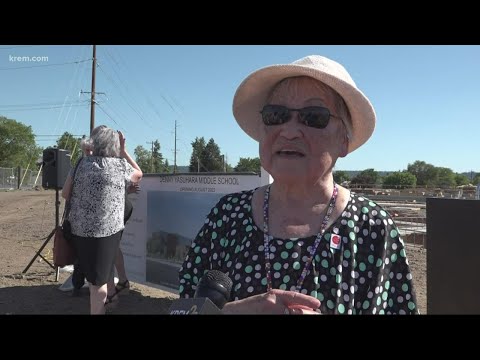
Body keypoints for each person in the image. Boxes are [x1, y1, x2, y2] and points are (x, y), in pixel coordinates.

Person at [178, 55, 419, 315]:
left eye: (314, 117)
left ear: (344, 141)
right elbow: (183, 308)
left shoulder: (372, 228)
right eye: (276, 115)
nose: (289, 131)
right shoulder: (226, 216)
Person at [62, 126, 142, 314]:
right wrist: (124, 152)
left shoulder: (81, 163)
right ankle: (102, 306)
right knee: (98, 286)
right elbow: (138, 173)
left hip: (80, 230)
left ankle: (109, 301)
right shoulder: (119, 165)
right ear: (114, 145)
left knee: (95, 276)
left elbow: (66, 193)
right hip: (106, 232)